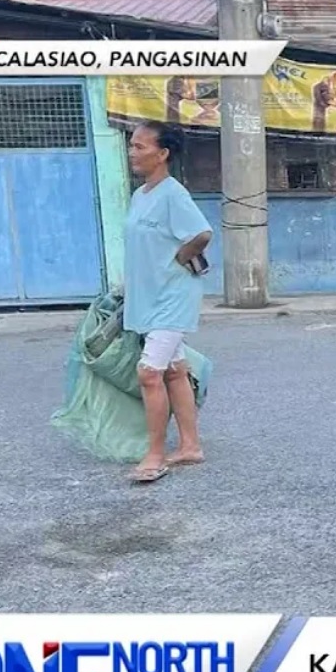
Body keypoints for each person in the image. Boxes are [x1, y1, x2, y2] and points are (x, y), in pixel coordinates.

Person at [122, 121, 213, 484]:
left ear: (163, 155)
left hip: (173, 297)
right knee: (175, 370)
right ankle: (190, 446)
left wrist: (179, 260)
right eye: (132, 145)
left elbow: (202, 233)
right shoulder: (140, 195)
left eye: (140, 147)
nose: (133, 152)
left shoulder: (174, 194)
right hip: (149, 296)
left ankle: (155, 454)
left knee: (149, 373)